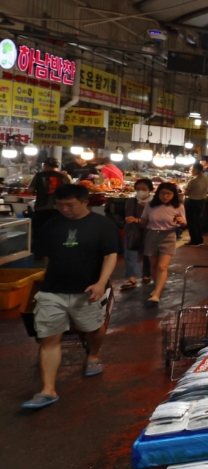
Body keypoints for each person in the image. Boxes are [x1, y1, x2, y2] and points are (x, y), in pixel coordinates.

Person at [22, 184, 119, 409]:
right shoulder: (51, 225)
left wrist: (101, 283)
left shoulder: (102, 225)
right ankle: (48, 390)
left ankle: (93, 355)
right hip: (52, 291)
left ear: (85, 202)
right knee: (49, 338)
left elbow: (110, 255)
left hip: (87, 291)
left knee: (93, 328)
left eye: (70, 205)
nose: (64, 209)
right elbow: (46, 257)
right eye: (60, 205)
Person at [140, 183, 186, 304]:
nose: (165, 196)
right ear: (158, 193)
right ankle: (157, 287)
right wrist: (135, 220)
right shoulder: (150, 205)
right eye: (162, 193)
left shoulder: (178, 207)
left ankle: (157, 293)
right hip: (152, 235)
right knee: (153, 266)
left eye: (168, 193)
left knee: (162, 266)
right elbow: (144, 220)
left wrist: (181, 221)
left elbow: (184, 223)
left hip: (168, 236)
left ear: (173, 195)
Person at [27, 158, 70, 255]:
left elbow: (30, 190)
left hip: (42, 207)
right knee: (58, 230)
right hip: (60, 208)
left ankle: (39, 253)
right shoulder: (64, 176)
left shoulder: (39, 175)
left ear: (45, 165)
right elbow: (70, 190)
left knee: (40, 231)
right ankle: (57, 251)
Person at [120, 179, 154, 290]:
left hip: (149, 232)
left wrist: (137, 220)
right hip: (133, 232)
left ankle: (146, 274)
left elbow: (154, 219)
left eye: (144, 189)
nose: (141, 191)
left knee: (148, 254)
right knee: (130, 255)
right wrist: (132, 220)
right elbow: (128, 216)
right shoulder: (131, 201)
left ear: (150, 190)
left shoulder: (154, 203)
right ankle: (132, 278)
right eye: (138, 189)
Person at [183, 163, 208, 247]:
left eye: (191, 169)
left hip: (191, 202)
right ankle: (199, 239)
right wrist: (203, 199)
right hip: (201, 202)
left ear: (195, 170)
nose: (190, 171)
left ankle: (194, 241)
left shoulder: (193, 181)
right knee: (198, 221)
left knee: (191, 222)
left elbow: (186, 193)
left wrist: (183, 189)